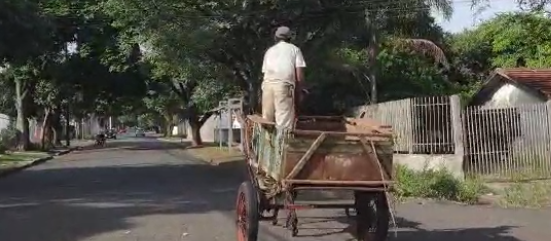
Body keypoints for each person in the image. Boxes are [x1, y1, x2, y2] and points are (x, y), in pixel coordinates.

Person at [261, 26, 306, 129]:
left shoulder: (269, 51)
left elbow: (265, 73)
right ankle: (283, 145)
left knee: (267, 120)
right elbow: (299, 75)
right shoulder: (294, 50)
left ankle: (267, 144)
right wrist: (301, 91)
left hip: (267, 86)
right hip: (284, 85)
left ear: (276, 37)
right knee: (283, 121)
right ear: (289, 37)